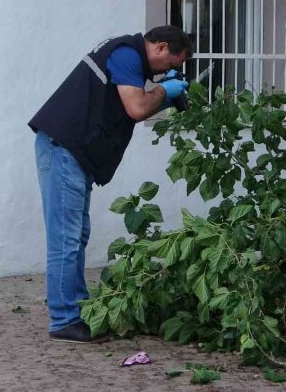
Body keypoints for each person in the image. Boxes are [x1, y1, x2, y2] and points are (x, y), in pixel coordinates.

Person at [28, 25, 192, 343]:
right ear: (159, 47)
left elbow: (136, 106)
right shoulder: (127, 54)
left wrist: (168, 100)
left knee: (76, 235)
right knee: (66, 238)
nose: (168, 72)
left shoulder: (127, 57)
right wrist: (165, 93)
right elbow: (136, 107)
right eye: (172, 65)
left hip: (73, 152)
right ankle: (64, 320)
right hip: (63, 149)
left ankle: (75, 310)